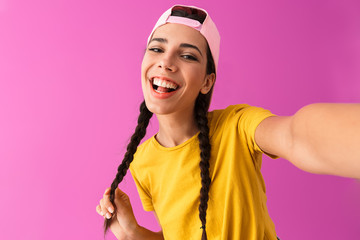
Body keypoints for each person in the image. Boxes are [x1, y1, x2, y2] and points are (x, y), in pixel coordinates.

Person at [95, 4, 360, 240]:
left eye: (187, 55)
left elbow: (295, 135)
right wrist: (131, 232)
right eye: (157, 48)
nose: (165, 62)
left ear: (207, 82)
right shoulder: (142, 162)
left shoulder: (237, 125)